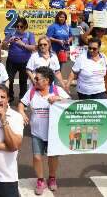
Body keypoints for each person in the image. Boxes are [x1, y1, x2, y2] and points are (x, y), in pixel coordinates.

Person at [17, 67, 69, 195]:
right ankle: (40, 180)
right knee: (37, 157)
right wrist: (22, 113)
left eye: (37, 78)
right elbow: (21, 104)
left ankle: (52, 178)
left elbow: (70, 104)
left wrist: (58, 99)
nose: (34, 80)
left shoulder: (57, 90)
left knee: (52, 157)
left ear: (46, 80)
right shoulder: (32, 91)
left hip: (53, 133)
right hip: (37, 133)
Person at [1, 17, 36, 102]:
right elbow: (3, 46)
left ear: (25, 26)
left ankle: (22, 98)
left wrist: (22, 44)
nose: (19, 28)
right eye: (17, 26)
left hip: (25, 62)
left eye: (21, 27)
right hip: (12, 61)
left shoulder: (29, 35)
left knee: (23, 81)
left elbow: (33, 47)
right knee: (10, 79)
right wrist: (9, 41)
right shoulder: (11, 33)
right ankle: (10, 96)